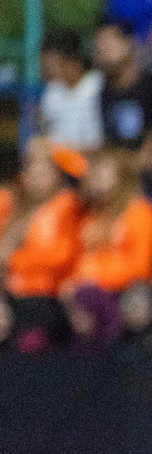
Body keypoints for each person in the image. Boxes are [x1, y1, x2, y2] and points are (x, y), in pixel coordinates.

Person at [61, 146, 152, 350]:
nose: (94, 173)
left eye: (102, 168)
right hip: (81, 300)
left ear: (122, 175)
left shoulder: (141, 212)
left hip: (122, 295)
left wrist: (92, 279)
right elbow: (72, 260)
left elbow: (141, 267)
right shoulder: (86, 215)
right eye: (94, 168)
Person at [0, 144, 86, 352]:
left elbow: (61, 256)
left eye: (45, 172)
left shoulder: (68, 204)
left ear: (57, 175)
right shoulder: (12, 206)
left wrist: (53, 148)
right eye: (32, 171)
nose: (37, 178)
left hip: (49, 297)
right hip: (11, 296)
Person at [95, 22, 152, 153]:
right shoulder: (105, 91)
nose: (103, 56)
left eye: (108, 48)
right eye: (100, 50)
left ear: (128, 44)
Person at [41, 31, 105, 151]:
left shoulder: (98, 85)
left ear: (75, 61)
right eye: (48, 66)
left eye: (57, 65)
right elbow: (47, 132)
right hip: (60, 156)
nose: (51, 71)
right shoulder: (52, 91)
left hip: (93, 155)